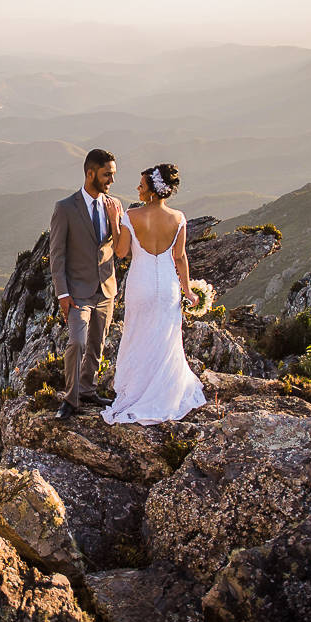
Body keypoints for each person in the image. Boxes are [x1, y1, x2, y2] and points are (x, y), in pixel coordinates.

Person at [101, 163, 206, 425]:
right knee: (166, 338)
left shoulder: (132, 216)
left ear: (151, 191)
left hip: (141, 284)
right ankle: (164, 390)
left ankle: (138, 391)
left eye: (141, 185)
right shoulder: (178, 218)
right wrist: (188, 290)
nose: (137, 188)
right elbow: (179, 257)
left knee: (138, 333)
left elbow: (121, 252)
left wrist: (116, 221)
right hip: (168, 285)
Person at [48, 149, 121, 419]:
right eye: (107, 174)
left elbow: (119, 245)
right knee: (77, 342)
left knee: (97, 343)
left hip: (106, 288)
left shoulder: (114, 205)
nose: (111, 180)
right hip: (77, 291)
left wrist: (116, 222)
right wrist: (62, 293)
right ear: (90, 173)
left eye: (113, 174)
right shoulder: (65, 207)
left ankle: (88, 389)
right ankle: (70, 398)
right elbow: (57, 254)